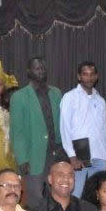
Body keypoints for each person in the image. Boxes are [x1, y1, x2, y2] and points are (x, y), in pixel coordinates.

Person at [10, 56, 63, 203]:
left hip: (56, 155)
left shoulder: (56, 93)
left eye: (43, 68)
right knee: (35, 201)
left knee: (56, 199)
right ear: (29, 71)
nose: (41, 71)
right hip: (33, 158)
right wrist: (22, 159)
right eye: (37, 68)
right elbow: (17, 132)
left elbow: (62, 124)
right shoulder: (19, 97)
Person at [59, 61, 106, 197]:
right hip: (80, 154)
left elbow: (104, 132)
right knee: (76, 194)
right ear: (79, 76)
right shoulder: (69, 97)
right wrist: (72, 155)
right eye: (85, 74)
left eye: (92, 74)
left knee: (97, 196)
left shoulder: (100, 101)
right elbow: (65, 128)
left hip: (99, 156)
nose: (89, 77)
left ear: (96, 76)